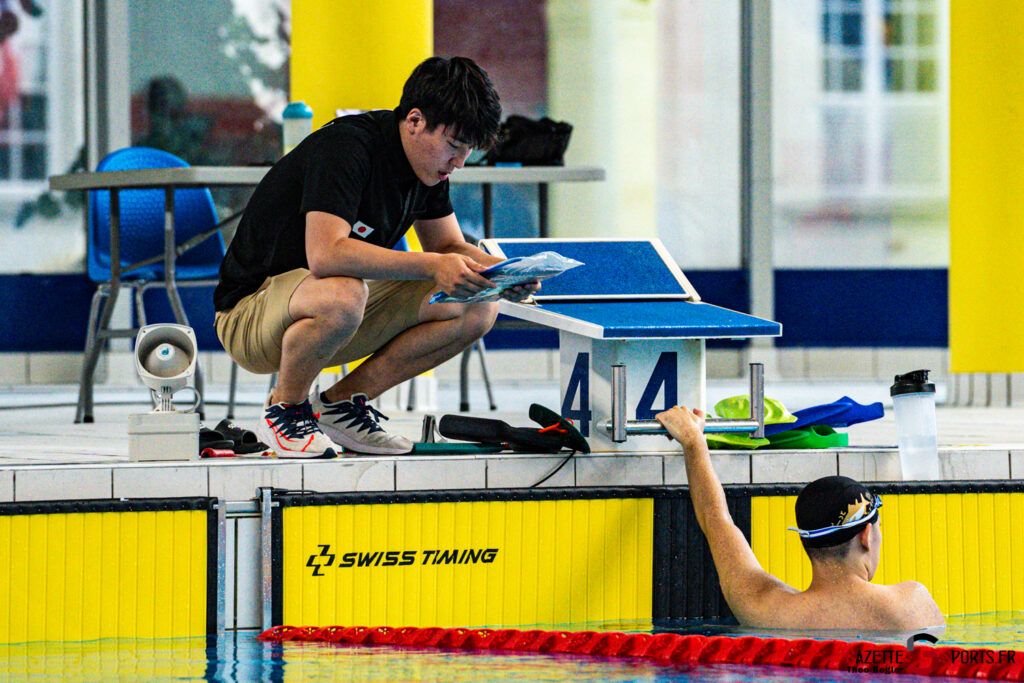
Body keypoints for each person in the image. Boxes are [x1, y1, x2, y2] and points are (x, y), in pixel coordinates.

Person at [214, 56, 537, 458]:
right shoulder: (347, 147)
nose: (459, 163)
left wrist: (501, 273)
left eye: (466, 151)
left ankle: (339, 406)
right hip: (249, 316)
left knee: (475, 305)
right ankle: (286, 409)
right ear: (415, 120)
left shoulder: (428, 167)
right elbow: (326, 254)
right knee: (343, 291)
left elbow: (448, 247)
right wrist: (434, 265)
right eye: (454, 146)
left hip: (326, 316)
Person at [654, 405, 945, 631]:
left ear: (807, 542)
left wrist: (694, 442)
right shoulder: (911, 604)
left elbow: (716, 520)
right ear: (866, 536)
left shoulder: (766, 610)